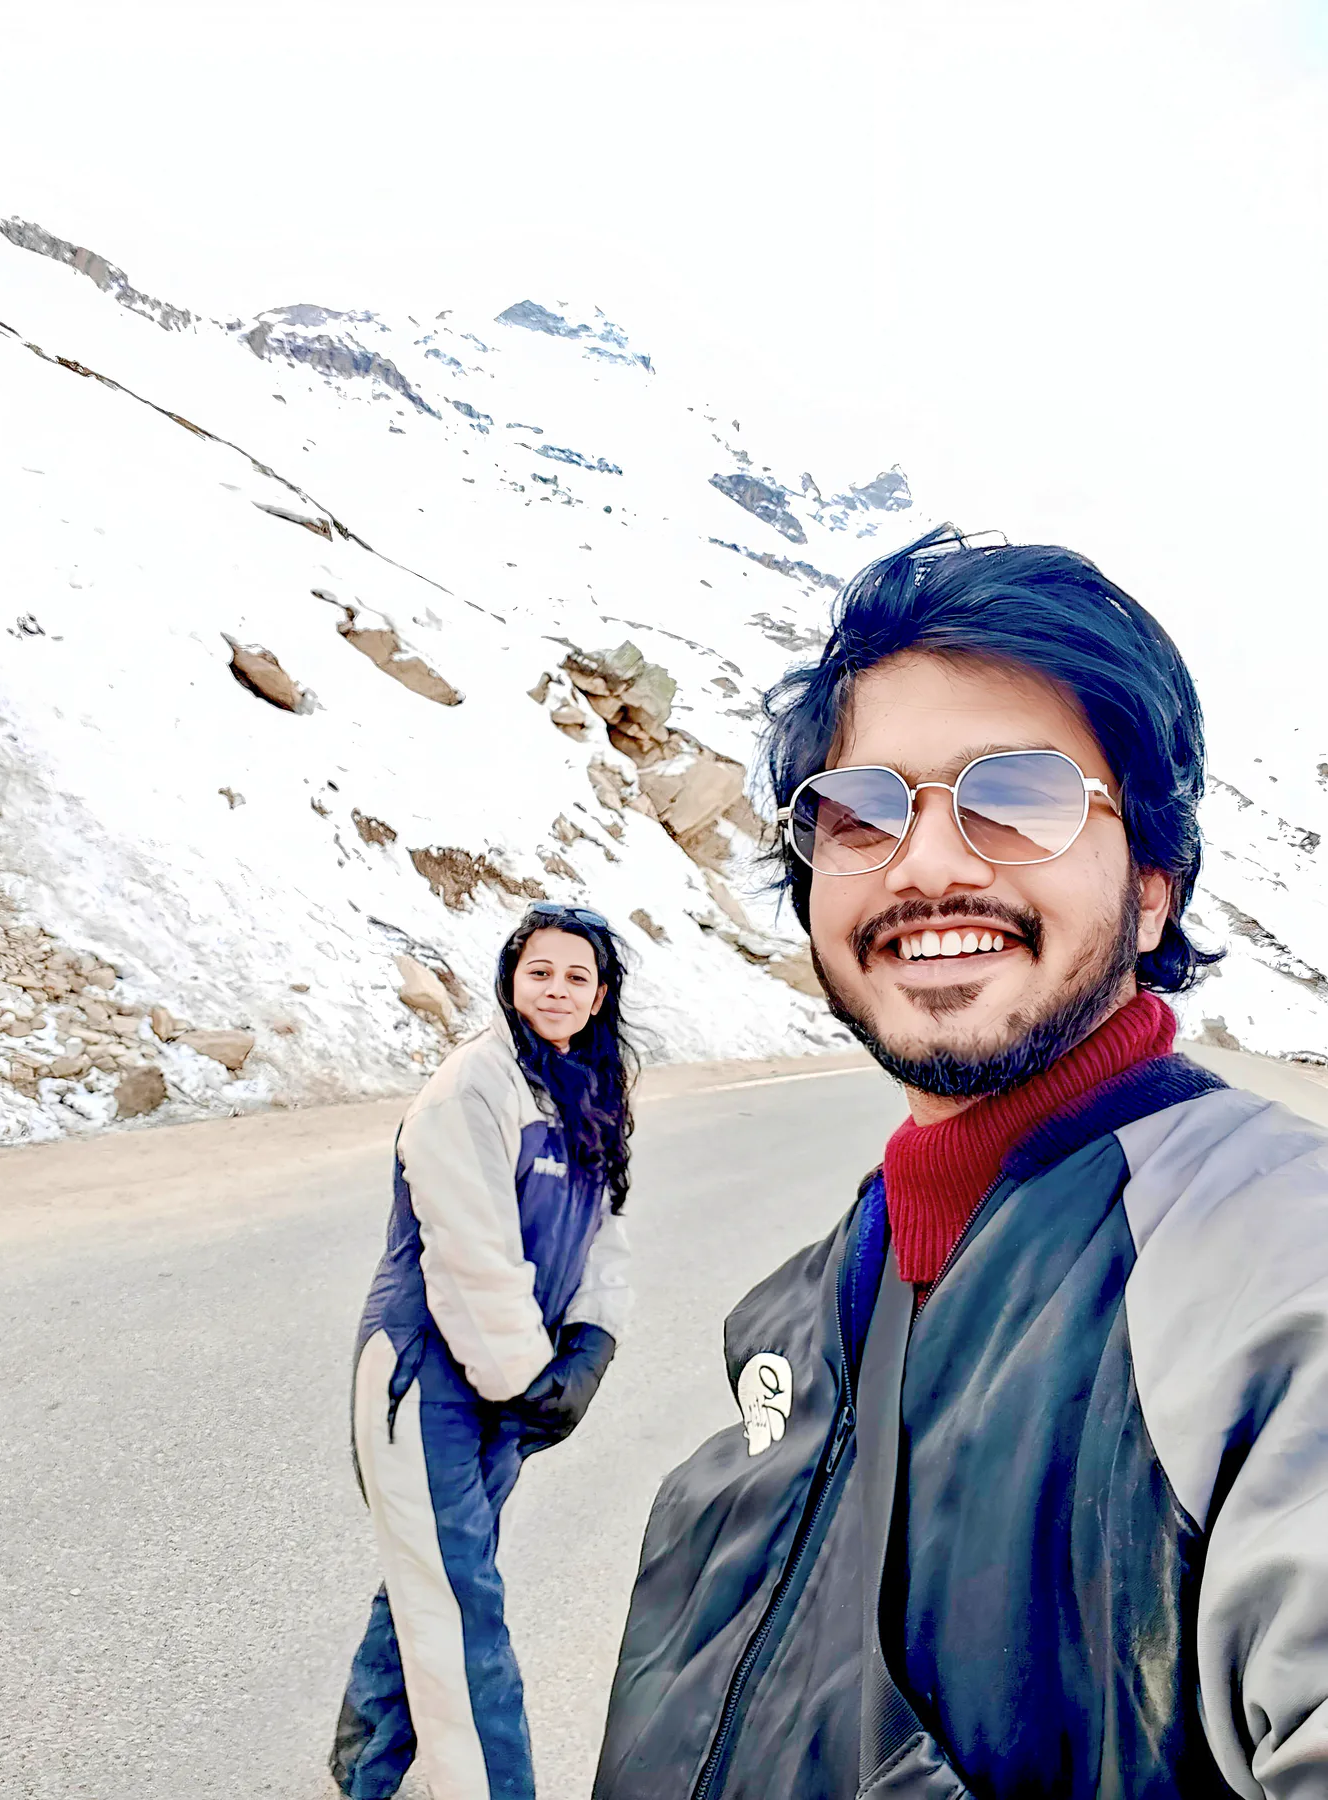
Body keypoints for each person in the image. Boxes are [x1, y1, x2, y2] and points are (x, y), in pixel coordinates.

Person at [594, 528, 1328, 1799]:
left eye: (1022, 796)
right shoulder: (821, 1294)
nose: (927, 863)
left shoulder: (1278, 1270)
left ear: (1153, 887)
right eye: (863, 812)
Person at [331, 903, 637, 1800]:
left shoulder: (591, 1087)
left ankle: (362, 1772)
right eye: (540, 971)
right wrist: (528, 1378)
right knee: (460, 1604)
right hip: (425, 1378)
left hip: (516, 1377)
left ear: (600, 995)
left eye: (576, 976)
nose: (557, 988)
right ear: (512, 980)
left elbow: (606, 1230)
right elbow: (467, 1245)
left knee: (430, 1575)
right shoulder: (474, 1084)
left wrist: (593, 1342)